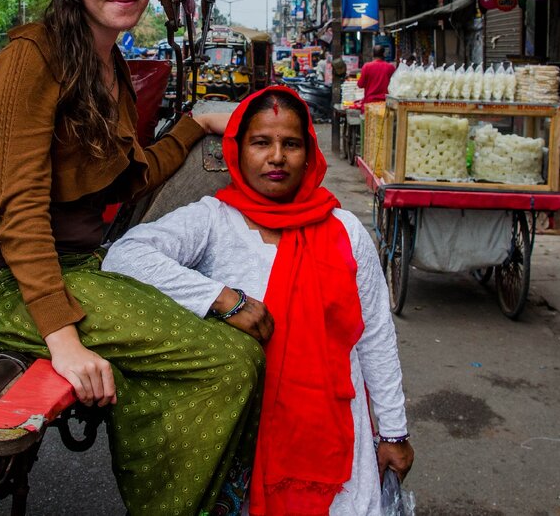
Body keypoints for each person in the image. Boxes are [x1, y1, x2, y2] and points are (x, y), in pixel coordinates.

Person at [0, 0, 261, 515]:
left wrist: (196, 122)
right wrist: (62, 338)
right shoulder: (32, 55)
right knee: (227, 360)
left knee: (245, 331)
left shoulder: (112, 64)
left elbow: (135, 172)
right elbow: (17, 211)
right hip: (7, 280)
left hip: (86, 265)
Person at [104, 86, 414, 515]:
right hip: (245, 434)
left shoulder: (345, 229)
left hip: (338, 438)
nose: (276, 157)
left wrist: (394, 433)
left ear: (308, 154)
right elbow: (124, 256)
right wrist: (220, 297)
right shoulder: (214, 220)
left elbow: (376, 335)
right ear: (237, 150)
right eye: (261, 143)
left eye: (291, 144)